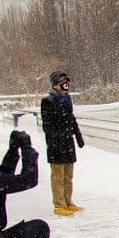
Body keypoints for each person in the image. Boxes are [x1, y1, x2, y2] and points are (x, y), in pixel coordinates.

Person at [41, 71, 84, 217]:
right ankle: (59, 204)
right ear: (55, 85)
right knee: (58, 176)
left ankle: (68, 201)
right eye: (63, 83)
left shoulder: (67, 100)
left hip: (67, 143)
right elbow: (47, 126)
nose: (66, 85)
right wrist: (55, 139)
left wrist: (78, 136)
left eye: (67, 82)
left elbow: (71, 119)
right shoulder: (48, 101)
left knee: (68, 175)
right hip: (56, 144)